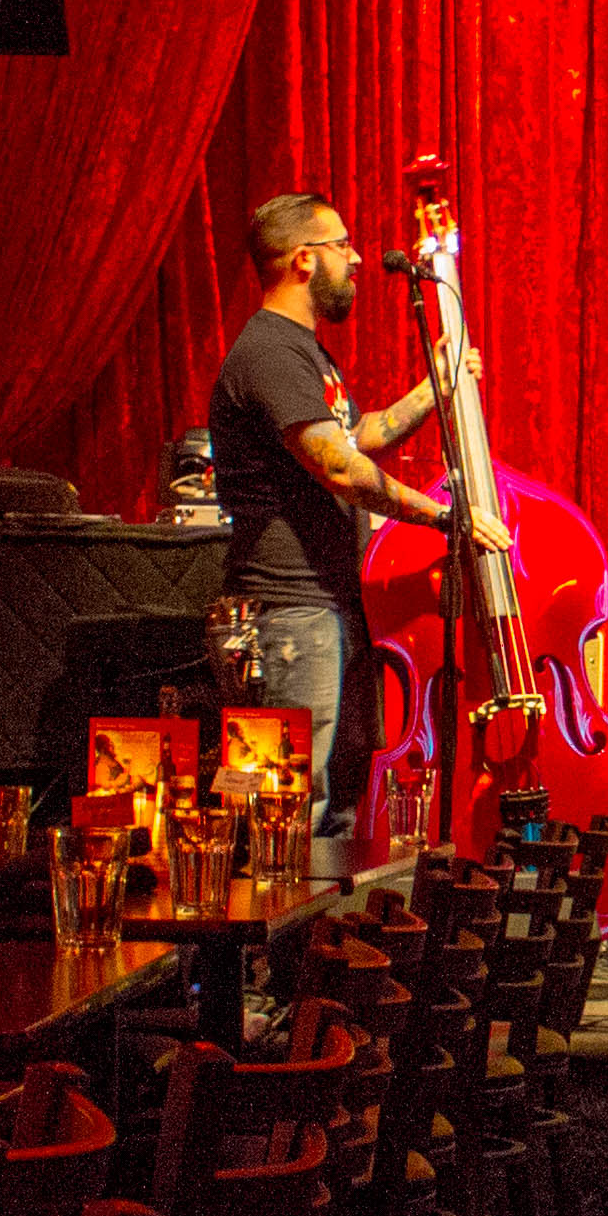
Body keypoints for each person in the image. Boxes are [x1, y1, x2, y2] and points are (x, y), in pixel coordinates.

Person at [202, 190, 492, 877]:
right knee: (289, 809)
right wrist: (443, 516)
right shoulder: (269, 351)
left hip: (328, 605)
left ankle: (318, 939)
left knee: (336, 801)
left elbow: (355, 438)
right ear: (304, 260)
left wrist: (434, 387)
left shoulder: (303, 353)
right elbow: (337, 466)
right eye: (341, 245)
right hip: (290, 610)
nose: (357, 258)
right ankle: (272, 940)